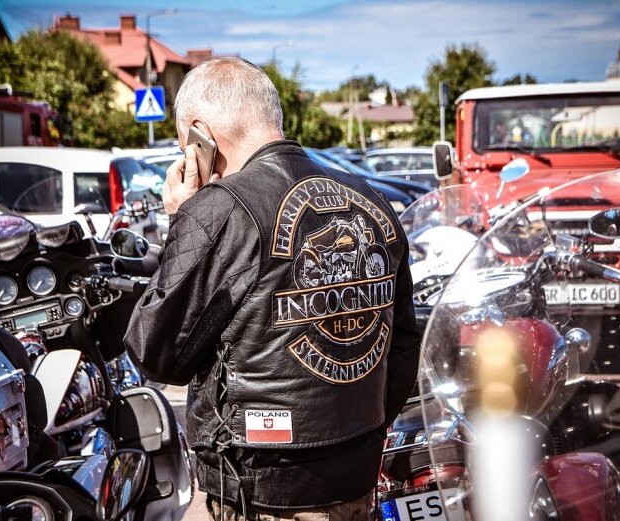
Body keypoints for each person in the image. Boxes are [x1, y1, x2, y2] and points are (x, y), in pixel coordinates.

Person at [124, 57, 420, 520]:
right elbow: (402, 345)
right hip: (356, 477)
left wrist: (184, 217)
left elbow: (155, 350)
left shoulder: (219, 210)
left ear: (200, 134)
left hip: (260, 488)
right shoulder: (370, 197)